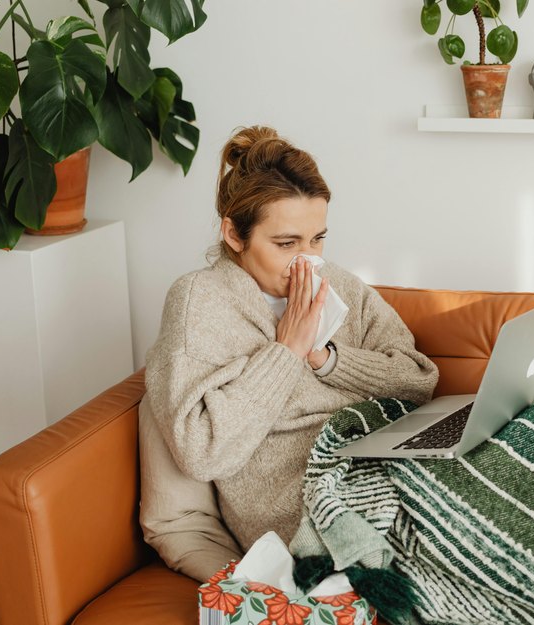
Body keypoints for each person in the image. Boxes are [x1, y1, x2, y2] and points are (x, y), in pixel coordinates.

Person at [139, 126, 439, 581]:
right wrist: (287, 350)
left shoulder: (339, 286)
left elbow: (418, 379)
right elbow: (201, 452)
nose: (308, 262)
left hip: (382, 464)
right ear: (235, 235)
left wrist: (327, 359)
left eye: (317, 239)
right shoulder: (198, 302)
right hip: (301, 507)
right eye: (286, 244)